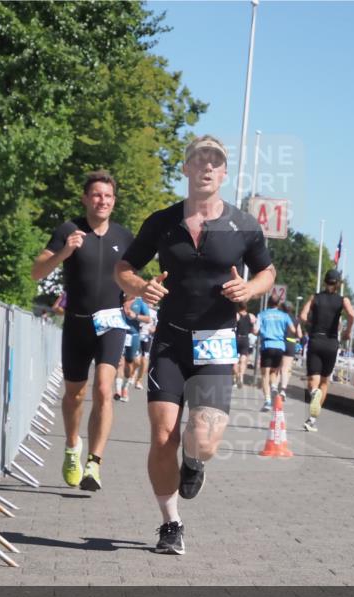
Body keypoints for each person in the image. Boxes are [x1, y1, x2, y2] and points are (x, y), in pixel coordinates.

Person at [115, 135, 276, 555]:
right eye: (198, 160)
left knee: (202, 439)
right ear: (185, 168)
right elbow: (125, 267)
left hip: (216, 343)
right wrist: (140, 285)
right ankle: (171, 524)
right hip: (170, 340)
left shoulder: (244, 225)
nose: (206, 167)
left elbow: (268, 272)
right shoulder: (162, 222)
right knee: (162, 434)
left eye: (215, 162)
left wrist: (250, 289)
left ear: (224, 173)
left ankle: (195, 461)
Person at [31, 170, 132, 492]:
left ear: (114, 202)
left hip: (111, 322)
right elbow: (36, 272)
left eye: (108, 196)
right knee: (74, 394)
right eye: (97, 195)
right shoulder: (69, 230)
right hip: (77, 322)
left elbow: (130, 278)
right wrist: (64, 252)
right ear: (86, 199)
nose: (103, 200)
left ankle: (95, 462)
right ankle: (73, 446)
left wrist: (138, 292)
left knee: (104, 388)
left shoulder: (125, 237)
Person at [299, 268, 354, 432]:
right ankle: (312, 419)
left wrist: (311, 323)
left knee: (313, 381)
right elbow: (352, 314)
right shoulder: (342, 300)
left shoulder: (315, 298)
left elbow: (302, 316)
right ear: (338, 284)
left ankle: (314, 393)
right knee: (325, 381)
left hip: (316, 339)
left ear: (324, 282)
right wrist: (348, 331)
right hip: (331, 343)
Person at [257, 295, 296, 412]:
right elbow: (293, 330)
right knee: (274, 371)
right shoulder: (284, 315)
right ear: (278, 304)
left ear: (268, 303)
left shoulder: (262, 314)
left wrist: (261, 332)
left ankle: (268, 401)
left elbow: (255, 330)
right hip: (280, 346)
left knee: (265, 374)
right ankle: (274, 386)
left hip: (267, 345)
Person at [116, 293, 152, 401]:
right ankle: (118, 391)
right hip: (119, 333)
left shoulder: (139, 302)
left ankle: (125, 387)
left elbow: (148, 318)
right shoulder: (118, 299)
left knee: (129, 363)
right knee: (120, 362)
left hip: (133, 336)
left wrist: (135, 316)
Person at [278, 301, 302, 399]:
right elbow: (300, 335)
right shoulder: (295, 320)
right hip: (291, 344)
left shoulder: (280, 318)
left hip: (281, 342)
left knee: (278, 367)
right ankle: (283, 390)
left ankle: (274, 387)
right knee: (286, 368)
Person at [233, 302, 257, 389]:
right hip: (245, 339)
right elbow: (254, 330)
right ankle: (241, 377)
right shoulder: (251, 316)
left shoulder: (237, 315)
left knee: (235, 360)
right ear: (246, 307)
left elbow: (232, 326)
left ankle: (236, 377)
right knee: (243, 360)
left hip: (236, 338)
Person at [134, 306, 158, 389]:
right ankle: (133, 372)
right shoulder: (139, 307)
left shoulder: (155, 313)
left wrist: (154, 329)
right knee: (136, 361)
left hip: (147, 338)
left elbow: (158, 325)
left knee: (144, 360)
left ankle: (139, 380)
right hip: (136, 336)